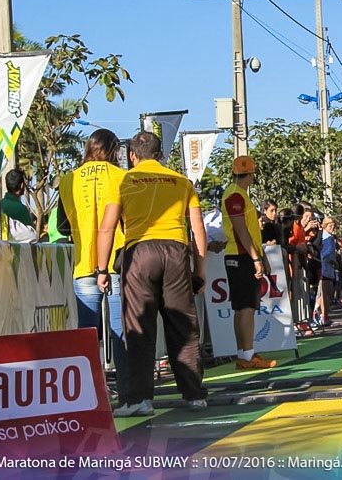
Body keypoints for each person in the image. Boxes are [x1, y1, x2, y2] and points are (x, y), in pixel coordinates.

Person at [96, 131, 208, 417]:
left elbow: (107, 228)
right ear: (160, 155)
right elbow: (198, 229)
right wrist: (200, 270)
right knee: (183, 325)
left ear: (132, 156)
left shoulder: (123, 181)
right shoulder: (183, 182)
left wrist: (102, 269)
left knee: (139, 327)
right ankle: (194, 395)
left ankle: (140, 400)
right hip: (176, 252)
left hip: (140, 254)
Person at [55, 129, 129, 405]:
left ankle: (89, 394)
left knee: (88, 332)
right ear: (113, 150)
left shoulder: (67, 180)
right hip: (117, 262)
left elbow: (62, 225)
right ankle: (126, 391)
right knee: (120, 329)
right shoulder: (122, 177)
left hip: (84, 264)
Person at [221, 155, 278, 370]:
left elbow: (249, 231)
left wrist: (261, 256)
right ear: (251, 175)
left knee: (243, 307)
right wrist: (256, 258)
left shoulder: (238, 195)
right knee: (246, 308)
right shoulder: (235, 195)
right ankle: (247, 355)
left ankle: (245, 353)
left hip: (243, 254)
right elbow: (241, 230)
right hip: (240, 256)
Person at [317, 217, 339, 326]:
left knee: (327, 294)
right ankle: (323, 316)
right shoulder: (325, 238)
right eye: (330, 225)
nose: (332, 228)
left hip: (329, 269)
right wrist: (333, 260)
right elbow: (325, 254)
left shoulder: (329, 237)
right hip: (324, 268)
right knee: (325, 294)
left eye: (333, 226)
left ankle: (323, 315)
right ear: (325, 225)